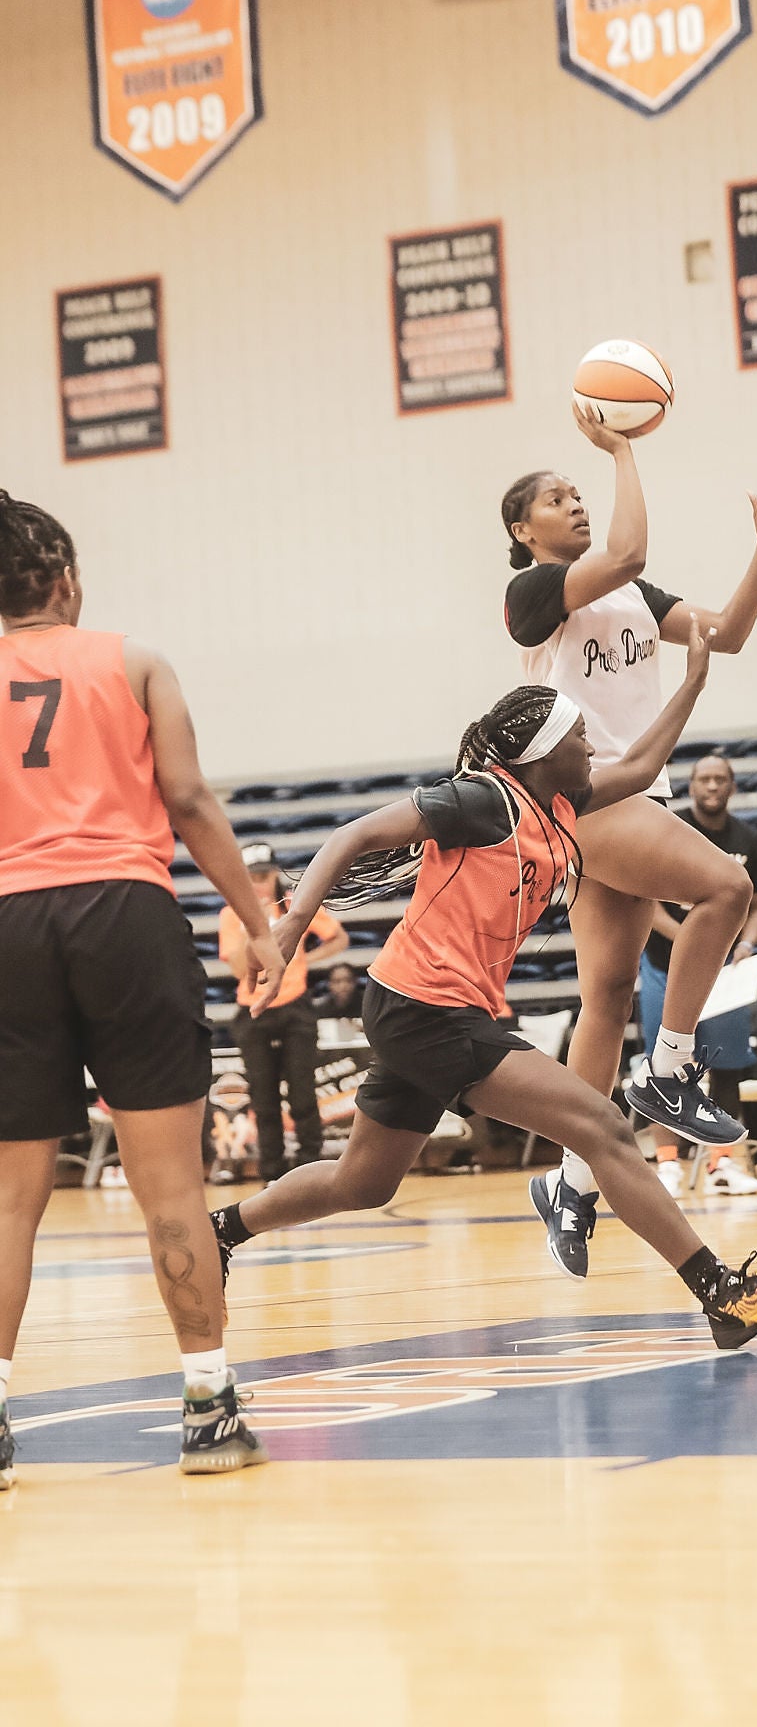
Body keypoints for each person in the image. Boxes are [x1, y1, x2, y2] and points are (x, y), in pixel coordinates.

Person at [213, 631, 757, 1346]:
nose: (591, 744)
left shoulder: (565, 809)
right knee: (601, 1127)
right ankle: (721, 1293)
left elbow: (648, 763)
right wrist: (290, 925)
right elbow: (350, 836)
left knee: (363, 1183)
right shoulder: (481, 800)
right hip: (427, 1011)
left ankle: (220, 1228)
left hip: (423, 1010)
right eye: (578, 734)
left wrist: (691, 679)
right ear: (542, 752)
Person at [0, 489, 286, 1481]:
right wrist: (263, 920)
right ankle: (208, 1412)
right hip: (123, 911)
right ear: (68, 581)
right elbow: (189, 797)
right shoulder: (134, 660)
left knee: (8, 1201)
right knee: (171, 1188)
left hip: (8, 922)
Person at [502, 405, 757, 1274]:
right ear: (522, 531)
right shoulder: (533, 596)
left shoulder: (633, 599)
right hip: (586, 795)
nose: (575, 504)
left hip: (626, 796)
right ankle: (672, 1069)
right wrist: (622, 450)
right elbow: (630, 549)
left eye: (578, 493)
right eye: (558, 498)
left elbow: (730, 634)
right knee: (727, 887)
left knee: (604, 998)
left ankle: (571, 1178)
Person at [640, 754, 757, 1197]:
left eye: (720, 779)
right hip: (664, 965)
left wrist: (746, 943)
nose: (712, 786)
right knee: (662, 1064)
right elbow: (647, 899)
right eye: (704, 779)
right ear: (690, 786)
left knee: (726, 1062)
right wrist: (687, 940)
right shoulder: (669, 829)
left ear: (732, 786)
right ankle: (668, 1166)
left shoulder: (749, 840)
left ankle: (723, 1165)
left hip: (725, 971)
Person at [218, 843, 349, 1184]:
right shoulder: (232, 914)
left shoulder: (294, 907)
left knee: (303, 1093)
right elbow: (235, 968)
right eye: (252, 878)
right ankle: (271, 1173)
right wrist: (254, 926)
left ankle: (310, 1167)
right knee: (263, 1098)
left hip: (295, 1007)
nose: (259, 884)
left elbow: (338, 938)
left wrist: (304, 961)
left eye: (263, 876)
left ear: (274, 873)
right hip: (253, 1011)